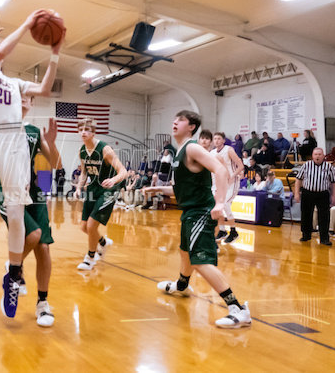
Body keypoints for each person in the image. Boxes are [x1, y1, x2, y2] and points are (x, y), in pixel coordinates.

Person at [0, 11, 64, 319]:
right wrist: (27, 23)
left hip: (14, 143)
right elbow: (0, 52)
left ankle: (14, 274)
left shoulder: (15, 83)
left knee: (17, 213)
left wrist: (55, 53)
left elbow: (44, 89)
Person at [149, 110, 251, 328]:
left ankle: (238, 309)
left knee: (200, 261)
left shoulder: (192, 147)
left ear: (191, 127)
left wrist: (220, 203)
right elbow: (182, 189)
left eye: (181, 120)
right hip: (189, 211)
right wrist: (157, 188)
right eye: (174, 119)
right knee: (185, 252)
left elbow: (221, 170)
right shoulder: (180, 152)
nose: (175, 122)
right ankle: (182, 285)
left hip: (201, 212)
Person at [0, 96, 61, 327]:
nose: (24, 100)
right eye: (19, 95)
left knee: (43, 246)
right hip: (7, 190)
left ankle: (42, 303)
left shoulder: (34, 131)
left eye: (29, 98)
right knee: (33, 235)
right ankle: (14, 268)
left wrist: (51, 143)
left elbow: (56, 164)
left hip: (34, 192)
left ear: (31, 104)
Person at [74, 118, 127, 270]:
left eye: (87, 130)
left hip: (109, 190)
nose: (83, 132)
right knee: (84, 227)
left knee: (91, 226)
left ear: (93, 133)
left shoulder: (104, 149)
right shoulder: (82, 151)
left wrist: (113, 180)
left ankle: (90, 258)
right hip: (94, 188)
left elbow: (123, 171)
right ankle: (103, 242)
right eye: (80, 129)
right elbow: (84, 173)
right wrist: (78, 188)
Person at [294, 147, 335, 246]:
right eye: (315, 154)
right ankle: (306, 235)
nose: (317, 156)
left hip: (323, 194)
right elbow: (298, 179)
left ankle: (324, 238)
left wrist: (334, 195)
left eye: (319, 154)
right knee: (306, 215)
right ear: (312, 156)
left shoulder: (328, 166)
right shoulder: (306, 165)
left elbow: (334, 182)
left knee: (324, 216)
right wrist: (296, 193)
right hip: (307, 193)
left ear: (323, 156)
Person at [211, 132, 244, 244]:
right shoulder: (212, 153)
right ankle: (222, 230)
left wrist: (232, 176)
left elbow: (241, 166)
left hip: (231, 182)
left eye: (219, 138)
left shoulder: (229, 150)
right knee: (218, 207)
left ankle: (234, 232)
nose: (216, 141)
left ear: (223, 140)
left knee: (225, 204)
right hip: (218, 182)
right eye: (215, 139)